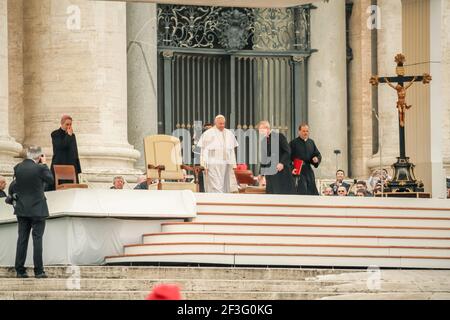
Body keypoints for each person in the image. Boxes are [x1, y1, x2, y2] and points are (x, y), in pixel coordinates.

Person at [12, 146, 54, 279]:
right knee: (37, 240)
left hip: (22, 209)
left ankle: (20, 270)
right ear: (39, 156)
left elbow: (14, 186)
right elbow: (51, 180)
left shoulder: (18, 167)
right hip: (38, 209)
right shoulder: (40, 168)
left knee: (22, 240)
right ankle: (39, 271)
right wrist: (46, 164)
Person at [197, 115, 239, 193]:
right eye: (220, 123)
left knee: (225, 185)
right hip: (213, 164)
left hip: (225, 164)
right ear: (215, 123)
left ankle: (223, 202)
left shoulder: (229, 133)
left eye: (223, 123)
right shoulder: (208, 133)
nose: (222, 125)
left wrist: (234, 165)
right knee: (215, 185)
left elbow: (231, 151)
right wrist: (204, 165)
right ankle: (216, 201)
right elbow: (204, 151)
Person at [258, 121, 295, 195]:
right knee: (271, 196)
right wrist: (261, 174)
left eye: (261, 130)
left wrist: (282, 163)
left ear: (267, 128)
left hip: (281, 173)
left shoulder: (279, 136)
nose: (260, 132)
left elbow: (287, 151)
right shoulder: (263, 141)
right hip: (270, 175)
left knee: (281, 197)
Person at [50, 115, 81, 190]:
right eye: (67, 124)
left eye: (70, 124)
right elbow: (61, 146)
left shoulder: (72, 135)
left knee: (72, 190)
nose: (69, 126)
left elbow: (75, 151)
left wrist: (78, 169)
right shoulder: (55, 134)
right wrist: (68, 136)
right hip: (60, 163)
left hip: (71, 164)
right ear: (62, 123)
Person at [289, 124, 322, 195]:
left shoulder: (311, 142)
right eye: (303, 131)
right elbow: (287, 158)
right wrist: (291, 168)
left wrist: (316, 159)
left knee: (311, 190)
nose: (305, 133)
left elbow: (318, 154)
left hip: (308, 170)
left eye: (307, 131)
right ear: (299, 132)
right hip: (298, 171)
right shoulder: (293, 143)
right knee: (302, 190)